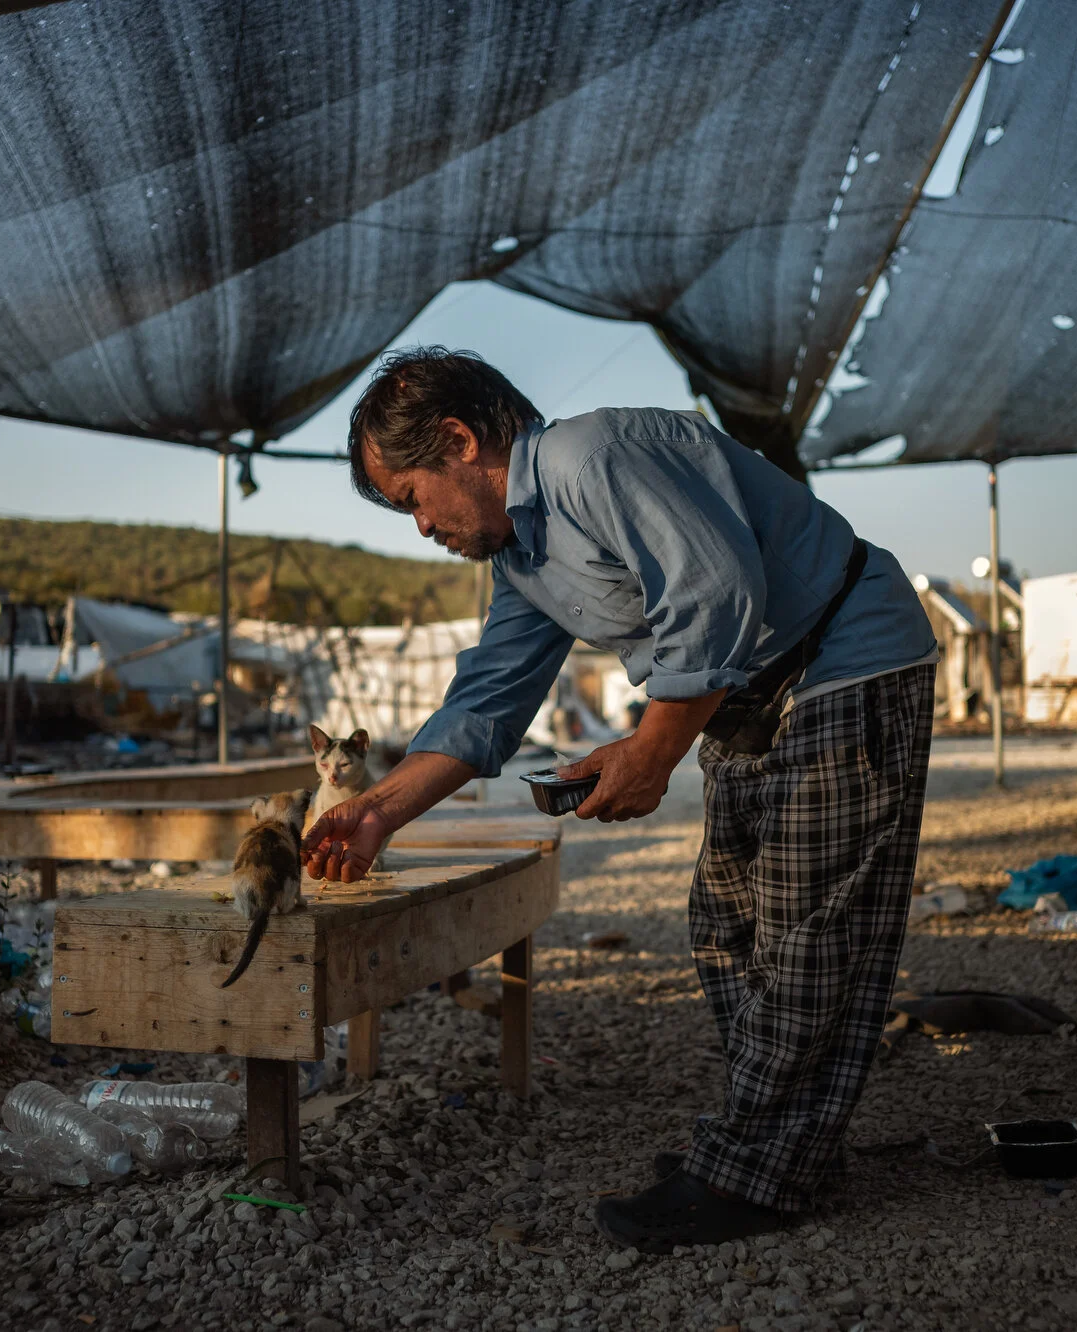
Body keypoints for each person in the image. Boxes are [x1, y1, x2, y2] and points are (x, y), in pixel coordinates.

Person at [303, 347, 938, 1252]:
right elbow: (488, 700)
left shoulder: (589, 460)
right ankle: (779, 1147)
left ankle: (757, 1173)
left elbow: (714, 592)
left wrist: (651, 751)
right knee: (728, 927)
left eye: (413, 498)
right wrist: (377, 812)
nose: (423, 527)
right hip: (749, 697)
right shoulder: (523, 557)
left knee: (807, 928)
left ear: (460, 441)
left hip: (845, 659)